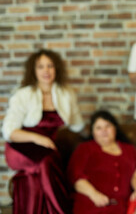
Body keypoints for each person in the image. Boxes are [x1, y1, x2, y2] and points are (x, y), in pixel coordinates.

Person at [2, 49, 84, 214]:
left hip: (47, 148)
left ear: (56, 69)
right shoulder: (23, 95)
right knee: (48, 160)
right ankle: (62, 210)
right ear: (34, 70)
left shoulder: (66, 94)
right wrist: (38, 138)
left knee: (40, 172)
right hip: (21, 146)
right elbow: (8, 131)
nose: (46, 71)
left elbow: (77, 125)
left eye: (50, 66)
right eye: (40, 67)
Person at [67, 110, 136, 214]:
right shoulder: (84, 149)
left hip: (123, 207)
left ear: (115, 128)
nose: (104, 131)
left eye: (107, 126)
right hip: (92, 203)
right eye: (98, 128)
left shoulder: (130, 150)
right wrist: (94, 195)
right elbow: (75, 177)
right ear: (93, 132)